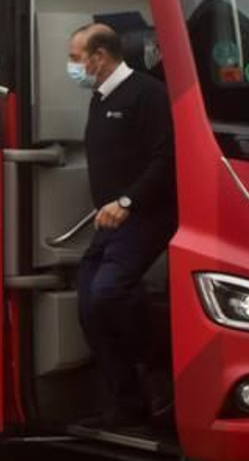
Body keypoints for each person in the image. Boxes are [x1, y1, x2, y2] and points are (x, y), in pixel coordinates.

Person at [69, 22, 177, 430]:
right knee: (89, 307)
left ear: (100, 57)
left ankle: (163, 356)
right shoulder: (99, 98)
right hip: (110, 222)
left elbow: (166, 160)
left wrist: (128, 201)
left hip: (144, 215)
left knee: (109, 293)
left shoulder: (147, 95)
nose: (72, 67)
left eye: (76, 58)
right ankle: (128, 405)